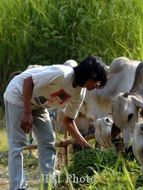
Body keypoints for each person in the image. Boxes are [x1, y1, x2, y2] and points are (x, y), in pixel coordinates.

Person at [3, 55, 107, 190]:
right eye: (98, 81)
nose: (98, 85)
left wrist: (83, 143)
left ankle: (47, 184)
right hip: (18, 95)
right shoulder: (62, 74)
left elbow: (68, 120)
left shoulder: (79, 94)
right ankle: (18, 187)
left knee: (48, 140)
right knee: (17, 143)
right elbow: (28, 82)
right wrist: (27, 113)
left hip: (38, 105)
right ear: (90, 75)